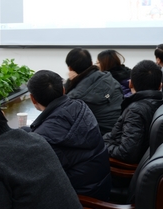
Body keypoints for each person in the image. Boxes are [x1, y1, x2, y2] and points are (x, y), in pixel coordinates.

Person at [24, 70, 111, 201]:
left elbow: (35, 177)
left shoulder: (44, 138)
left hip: (79, 200)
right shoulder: (80, 106)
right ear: (63, 90)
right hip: (99, 186)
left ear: (32, 98)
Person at [103, 60, 163, 164]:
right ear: (160, 86)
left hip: (120, 165)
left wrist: (103, 146)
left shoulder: (135, 111)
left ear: (130, 84)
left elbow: (126, 153)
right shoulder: (160, 102)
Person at [64, 47, 123, 135]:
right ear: (91, 63)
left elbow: (63, 110)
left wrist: (70, 82)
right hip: (121, 132)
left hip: (100, 138)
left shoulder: (76, 97)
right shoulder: (111, 79)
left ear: (70, 68)